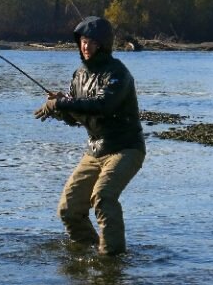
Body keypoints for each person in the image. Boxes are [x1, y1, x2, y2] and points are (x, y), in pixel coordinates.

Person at [34, 16, 145, 255]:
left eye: (92, 42)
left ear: (103, 45)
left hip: (125, 148)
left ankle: (112, 260)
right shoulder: (79, 75)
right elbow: (77, 116)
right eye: (83, 41)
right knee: (69, 208)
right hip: (94, 150)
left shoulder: (118, 73)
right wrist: (58, 108)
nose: (86, 46)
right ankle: (87, 252)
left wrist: (64, 104)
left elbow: (103, 105)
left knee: (103, 197)